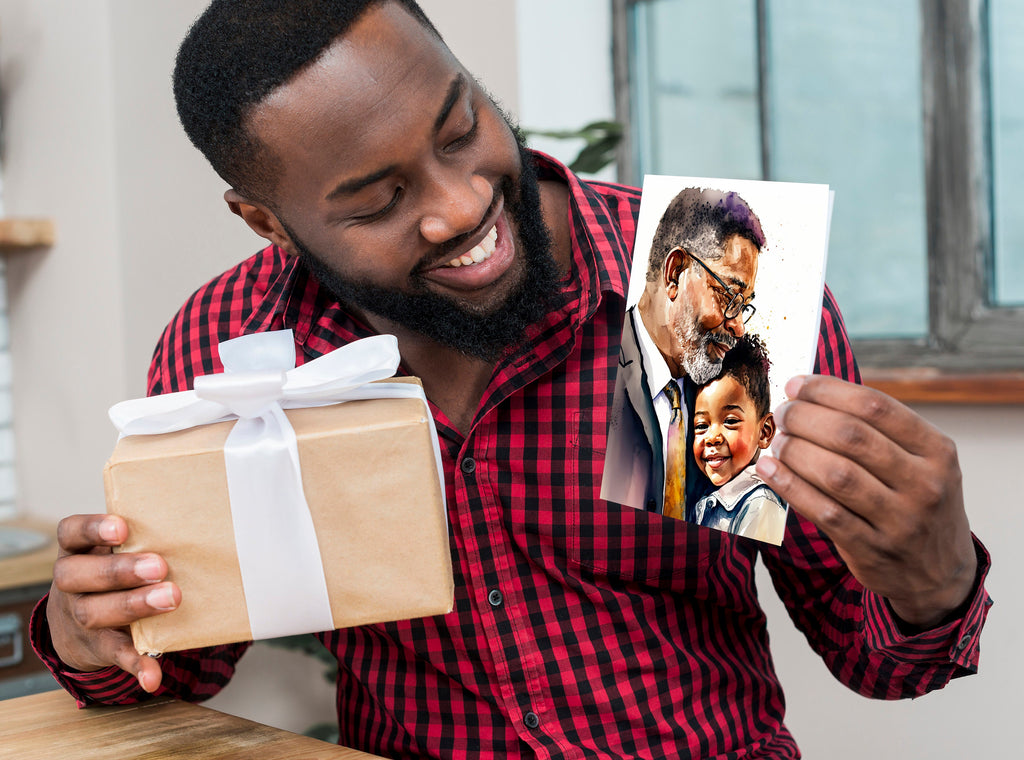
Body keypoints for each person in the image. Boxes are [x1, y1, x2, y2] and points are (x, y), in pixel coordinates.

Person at [32, 1, 991, 758]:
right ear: (267, 223)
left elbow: (879, 660)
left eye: (460, 131)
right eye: (378, 200)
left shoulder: (704, 289)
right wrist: (92, 634)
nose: (459, 208)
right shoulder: (236, 344)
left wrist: (932, 575)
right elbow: (182, 668)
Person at [602, 187, 765, 520]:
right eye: (730, 297)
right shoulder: (596, 366)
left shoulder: (720, 387)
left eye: (743, 306)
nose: (738, 327)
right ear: (675, 272)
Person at [691, 333, 788, 544]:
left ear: (765, 432)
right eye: (701, 426)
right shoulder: (704, 499)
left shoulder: (761, 506)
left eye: (730, 421)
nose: (712, 438)